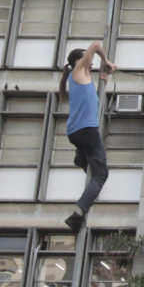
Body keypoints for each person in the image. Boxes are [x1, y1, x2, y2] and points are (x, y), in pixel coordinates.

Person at [57, 41, 116, 232]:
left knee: (92, 167)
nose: (91, 63)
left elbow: (90, 103)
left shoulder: (82, 79)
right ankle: (78, 214)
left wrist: (103, 83)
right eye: (87, 60)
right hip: (87, 131)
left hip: (76, 132)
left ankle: (80, 156)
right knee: (101, 175)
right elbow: (97, 45)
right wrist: (107, 60)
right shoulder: (78, 72)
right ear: (78, 61)